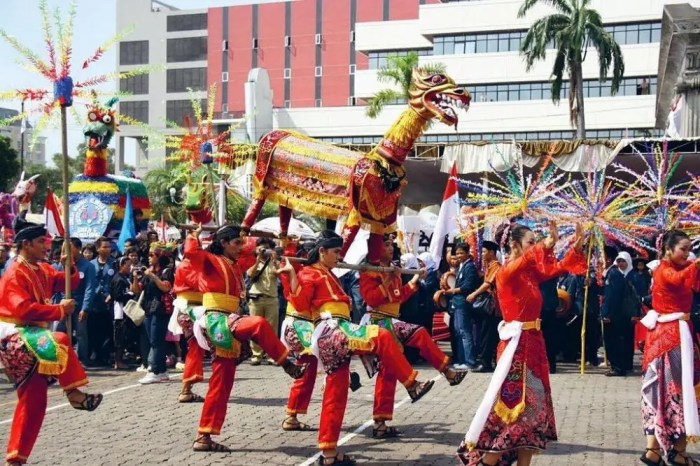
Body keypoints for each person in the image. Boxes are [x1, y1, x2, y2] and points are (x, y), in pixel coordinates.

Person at [281, 230, 435, 465]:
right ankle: (411, 384)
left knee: (336, 395)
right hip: (332, 329)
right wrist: (292, 276)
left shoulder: (329, 274)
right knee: (381, 336)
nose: (338, 256)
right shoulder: (310, 273)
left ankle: (329, 454)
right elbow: (300, 303)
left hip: (337, 332)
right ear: (321, 252)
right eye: (334, 252)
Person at [457, 221, 585, 466]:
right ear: (514, 245)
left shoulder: (528, 273)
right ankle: (489, 460)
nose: (534, 247)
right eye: (530, 242)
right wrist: (548, 242)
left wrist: (575, 247)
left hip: (533, 345)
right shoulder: (506, 272)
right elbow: (529, 259)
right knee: (512, 407)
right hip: (516, 349)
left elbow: (556, 269)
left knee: (533, 411)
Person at [185, 224, 307, 453]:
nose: (241, 247)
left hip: (229, 318)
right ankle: (286, 363)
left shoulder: (236, 264)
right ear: (223, 243)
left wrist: (286, 244)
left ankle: (204, 437)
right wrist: (193, 234)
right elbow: (191, 253)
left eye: (241, 243)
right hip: (216, 319)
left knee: (221, 385)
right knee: (258, 324)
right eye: (236, 243)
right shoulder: (209, 259)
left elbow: (258, 255)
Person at [0, 216, 102, 465]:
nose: (46, 246)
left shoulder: (40, 268)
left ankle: (16, 459)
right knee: (60, 339)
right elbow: (23, 310)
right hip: (15, 334)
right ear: (24, 244)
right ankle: (74, 393)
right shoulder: (14, 272)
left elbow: (71, 282)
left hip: (34, 337)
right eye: (39, 242)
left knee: (34, 402)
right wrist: (58, 310)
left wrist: (68, 266)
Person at [358, 236, 466, 439]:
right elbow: (371, 298)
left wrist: (415, 281)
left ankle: (380, 423)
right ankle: (443, 374)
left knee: (393, 366)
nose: (391, 248)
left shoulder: (393, 269)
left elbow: (399, 297)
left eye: (391, 244)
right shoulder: (369, 271)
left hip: (392, 320)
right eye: (386, 244)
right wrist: (389, 279)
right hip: (376, 321)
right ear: (375, 248)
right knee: (410, 342)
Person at [639, 230, 700, 466]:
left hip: (669, 337)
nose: (687, 254)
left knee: (662, 391)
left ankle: (654, 451)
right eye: (683, 249)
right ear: (668, 250)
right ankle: (677, 450)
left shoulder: (677, 270)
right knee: (678, 391)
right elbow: (679, 279)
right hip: (672, 340)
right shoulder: (664, 271)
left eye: (689, 249)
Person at [279, 240, 319, 432]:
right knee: (305, 370)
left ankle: (293, 415)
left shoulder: (311, 273)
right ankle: (291, 416)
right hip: (299, 323)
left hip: (305, 323)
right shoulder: (304, 273)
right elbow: (302, 302)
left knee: (309, 370)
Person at [135, 242, 175, 384]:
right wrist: (135, 277)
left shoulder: (166, 271)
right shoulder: (148, 271)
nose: (149, 257)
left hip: (161, 309)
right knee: (153, 340)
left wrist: (152, 275)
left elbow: (165, 288)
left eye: (152, 255)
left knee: (156, 341)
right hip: (148, 308)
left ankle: (155, 370)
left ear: (160, 256)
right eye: (149, 254)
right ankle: (162, 370)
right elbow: (136, 290)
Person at [169, 251, 205, 403]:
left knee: (197, 348)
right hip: (191, 310)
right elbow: (200, 284)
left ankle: (187, 388)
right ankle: (186, 389)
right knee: (196, 348)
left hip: (194, 309)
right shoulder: (186, 266)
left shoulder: (189, 265)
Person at [56, 237, 96, 367]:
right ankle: (59, 358)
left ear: (78, 249)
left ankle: (82, 360)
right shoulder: (60, 265)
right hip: (63, 305)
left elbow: (90, 288)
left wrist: (85, 308)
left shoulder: (87, 266)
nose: (65, 250)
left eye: (69, 247)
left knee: (80, 334)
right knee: (59, 331)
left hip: (79, 305)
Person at [445, 243, 480, 370]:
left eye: (461, 253)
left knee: (465, 332)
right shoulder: (462, 266)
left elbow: (468, 286)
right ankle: (462, 360)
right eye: (457, 253)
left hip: (463, 303)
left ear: (467, 253)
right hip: (457, 303)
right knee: (458, 332)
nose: (459, 255)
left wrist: (453, 291)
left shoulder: (469, 267)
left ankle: (470, 361)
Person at [468, 240, 501, 372]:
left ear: (492, 252)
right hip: (490, 305)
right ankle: (487, 360)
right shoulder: (489, 265)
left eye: (484, 251)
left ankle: (486, 362)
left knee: (489, 335)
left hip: (493, 306)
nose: (481, 254)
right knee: (486, 333)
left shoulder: (496, 266)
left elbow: (488, 283)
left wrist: (474, 294)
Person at [246, 238, 280, 366]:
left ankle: (271, 355)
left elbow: (280, 274)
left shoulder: (274, 262)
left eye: (266, 248)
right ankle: (256, 355)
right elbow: (250, 274)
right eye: (261, 248)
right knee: (255, 328)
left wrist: (275, 259)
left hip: (272, 299)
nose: (263, 251)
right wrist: (257, 260)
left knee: (271, 329)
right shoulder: (252, 261)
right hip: (256, 299)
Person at [601, 250, 635, 377]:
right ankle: (619, 365)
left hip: (617, 315)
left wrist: (606, 314)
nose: (620, 264)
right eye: (619, 261)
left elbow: (612, 297)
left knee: (616, 341)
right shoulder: (614, 273)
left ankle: (618, 367)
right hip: (618, 314)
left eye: (623, 261)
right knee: (618, 340)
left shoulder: (615, 275)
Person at [91, 237, 116, 367]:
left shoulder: (114, 263)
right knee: (95, 330)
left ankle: (107, 356)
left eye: (109, 247)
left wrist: (111, 294)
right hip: (94, 303)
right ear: (98, 249)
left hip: (109, 303)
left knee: (108, 330)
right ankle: (96, 356)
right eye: (104, 247)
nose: (107, 249)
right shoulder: (91, 264)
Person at [109, 256, 136, 370]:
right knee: (119, 337)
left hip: (126, 311)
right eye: (128, 265)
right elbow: (117, 296)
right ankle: (118, 361)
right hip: (119, 311)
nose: (130, 268)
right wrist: (130, 294)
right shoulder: (118, 279)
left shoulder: (125, 278)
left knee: (124, 336)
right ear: (121, 265)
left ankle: (120, 359)